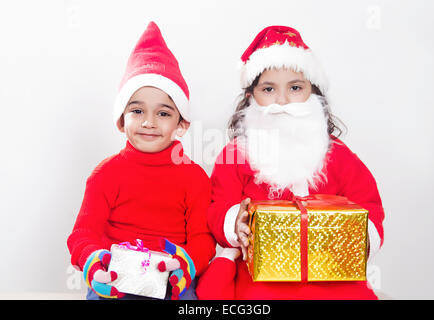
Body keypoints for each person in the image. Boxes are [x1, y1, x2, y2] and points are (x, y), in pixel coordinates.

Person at [197, 25, 384, 299]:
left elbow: (369, 204)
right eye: (269, 89)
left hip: (331, 273)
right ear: (251, 97)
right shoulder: (235, 155)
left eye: (295, 88)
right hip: (260, 275)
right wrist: (233, 222)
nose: (282, 101)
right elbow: (217, 206)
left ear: (313, 92)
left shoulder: (338, 155)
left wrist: (360, 236)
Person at [67, 21, 216, 300]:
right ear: (122, 121)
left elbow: (202, 239)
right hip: (115, 281)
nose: (149, 122)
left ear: (181, 124)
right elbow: (83, 234)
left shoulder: (194, 177)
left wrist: (183, 264)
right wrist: (95, 264)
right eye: (137, 110)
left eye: (163, 113)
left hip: (172, 280)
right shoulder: (105, 174)